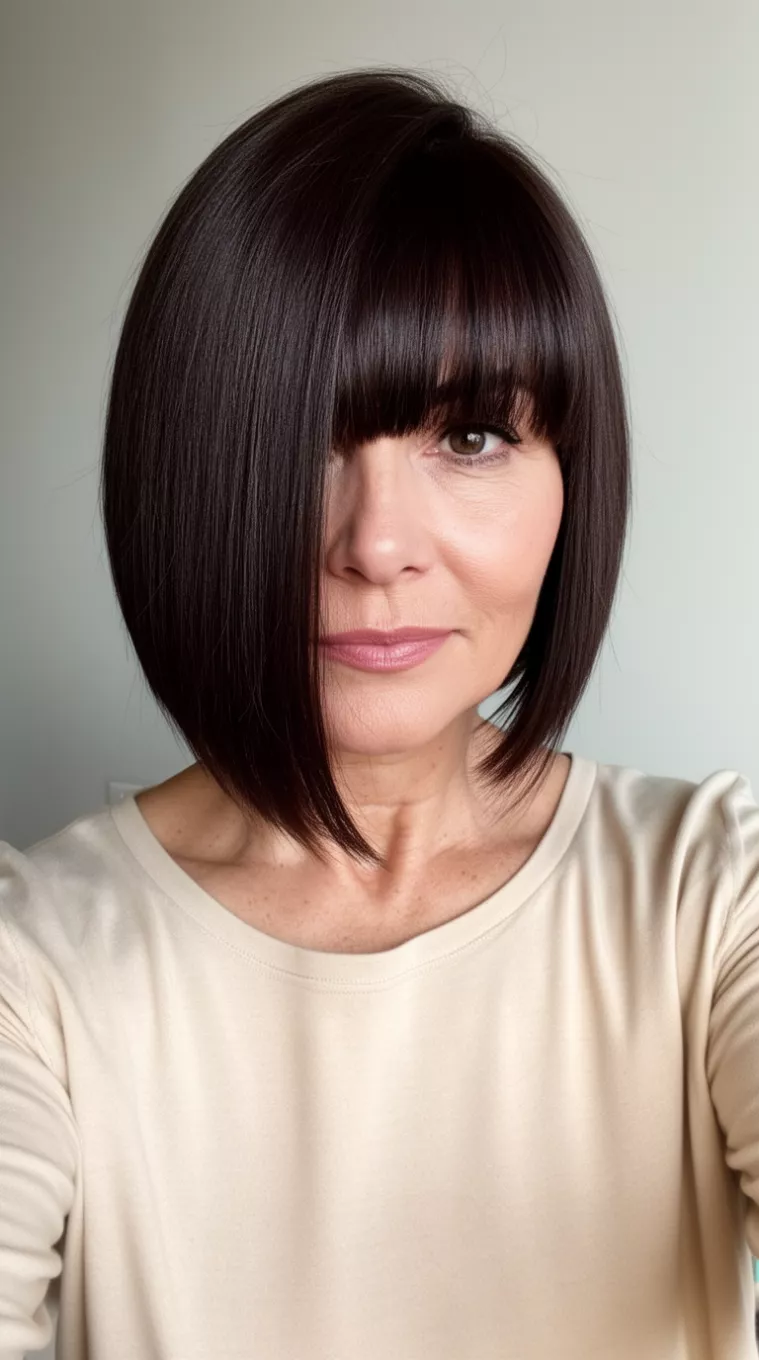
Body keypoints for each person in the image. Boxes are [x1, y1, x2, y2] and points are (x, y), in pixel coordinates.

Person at [0, 65, 757, 1360]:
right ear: (174, 474)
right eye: (299, 443)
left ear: (572, 478)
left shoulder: (708, 893)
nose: (377, 544)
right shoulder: (35, 970)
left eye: (468, 438)